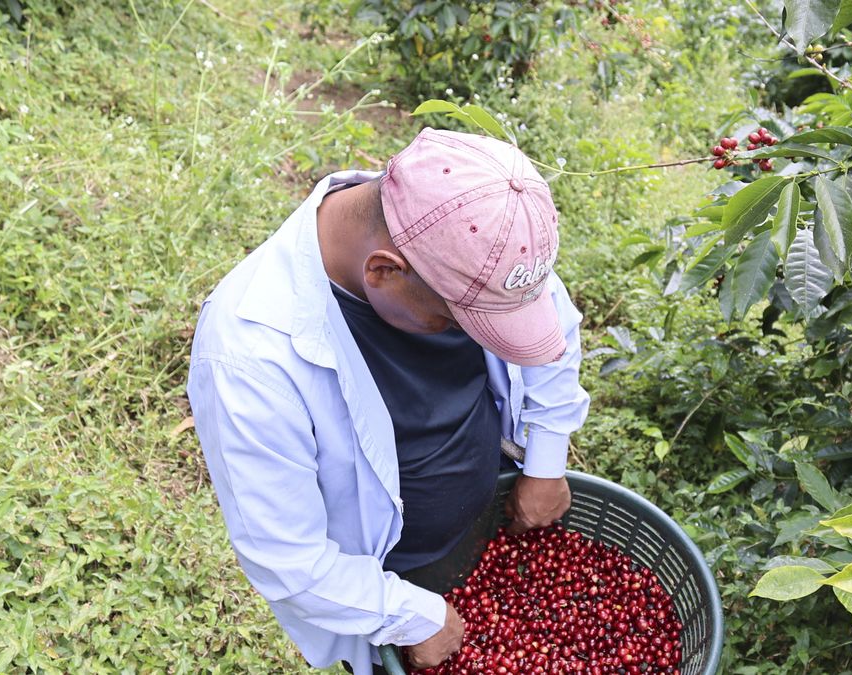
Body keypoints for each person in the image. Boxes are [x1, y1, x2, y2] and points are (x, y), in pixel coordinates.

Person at [186, 128, 590, 673]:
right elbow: (288, 558)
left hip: (483, 526)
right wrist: (410, 615)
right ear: (384, 271)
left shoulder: (477, 229)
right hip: (385, 576)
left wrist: (545, 457)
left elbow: (546, 326)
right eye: (458, 322)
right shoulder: (249, 356)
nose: (477, 337)